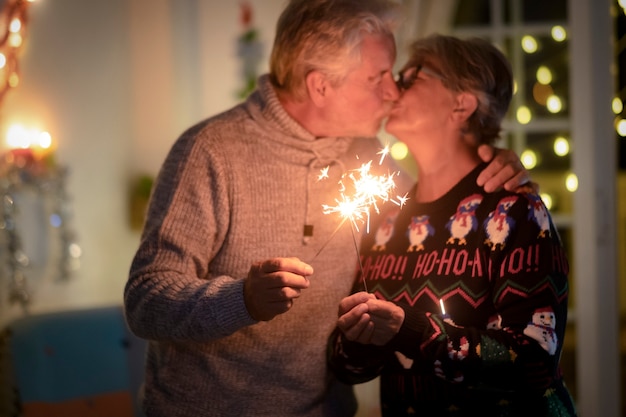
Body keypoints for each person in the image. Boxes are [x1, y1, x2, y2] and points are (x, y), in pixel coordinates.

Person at [123, 2, 531, 416]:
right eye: (377, 77)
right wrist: (242, 299)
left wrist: (493, 164)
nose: (393, 91)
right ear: (320, 86)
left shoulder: (365, 151)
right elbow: (145, 299)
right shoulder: (210, 152)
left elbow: (435, 208)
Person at [327, 34, 577, 417]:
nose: (393, 86)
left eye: (413, 76)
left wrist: (408, 331)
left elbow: (533, 362)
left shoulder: (515, 211)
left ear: (462, 104)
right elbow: (347, 367)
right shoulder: (386, 222)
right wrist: (360, 337)